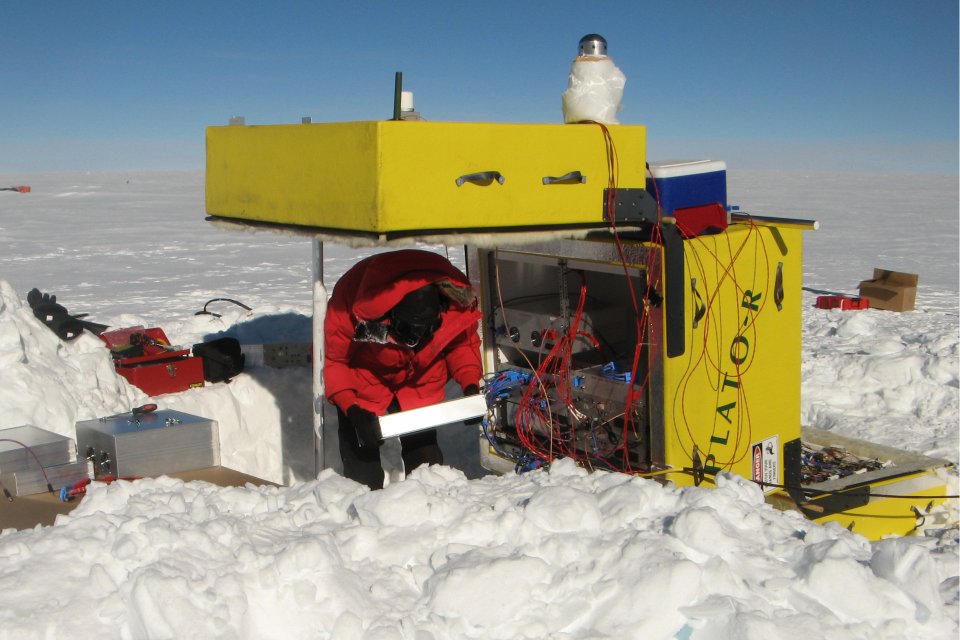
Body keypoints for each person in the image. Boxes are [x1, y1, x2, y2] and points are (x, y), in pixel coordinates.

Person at [324, 249, 483, 490]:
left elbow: (462, 345)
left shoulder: (455, 305)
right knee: (363, 476)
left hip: (420, 377)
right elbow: (335, 362)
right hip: (365, 376)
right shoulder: (348, 302)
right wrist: (351, 409)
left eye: (424, 331)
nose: (414, 340)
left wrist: (470, 385)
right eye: (407, 331)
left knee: (426, 469)